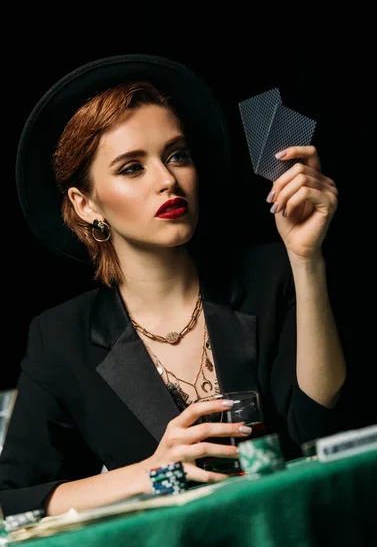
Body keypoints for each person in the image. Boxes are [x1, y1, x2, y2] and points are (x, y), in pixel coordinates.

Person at [0, 54, 348, 517]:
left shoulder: (271, 273)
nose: (167, 180)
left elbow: (321, 428)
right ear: (85, 205)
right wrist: (152, 472)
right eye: (131, 168)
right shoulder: (60, 338)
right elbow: (10, 499)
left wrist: (306, 261)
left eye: (176, 155)